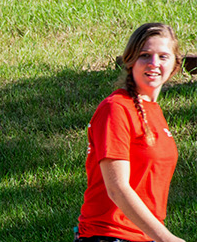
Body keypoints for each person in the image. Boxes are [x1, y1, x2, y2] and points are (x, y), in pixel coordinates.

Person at [74, 23, 185, 242]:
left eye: (163, 57)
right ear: (130, 60)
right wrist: (167, 238)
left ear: (174, 66)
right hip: (109, 236)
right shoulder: (116, 108)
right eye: (145, 55)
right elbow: (117, 188)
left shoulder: (153, 111)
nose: (154, 63)